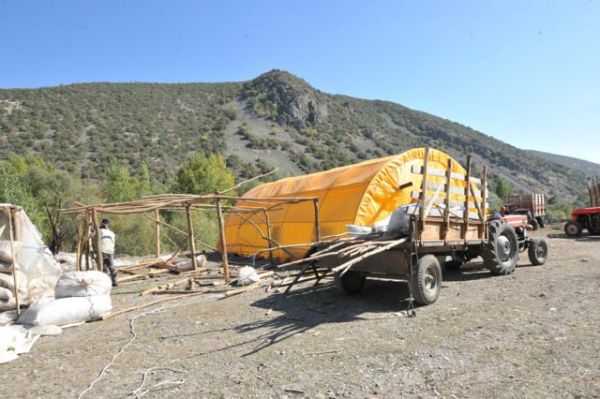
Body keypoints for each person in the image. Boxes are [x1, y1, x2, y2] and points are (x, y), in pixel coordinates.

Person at [99, 218, 118, 286]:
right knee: (111, 266)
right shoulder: (111, 232)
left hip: (103, 250)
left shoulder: (99, 231)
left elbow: (93, 237)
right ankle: (114, 281)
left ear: (102, 223)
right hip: (110, 250)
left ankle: (104, 282)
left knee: (103, 267)